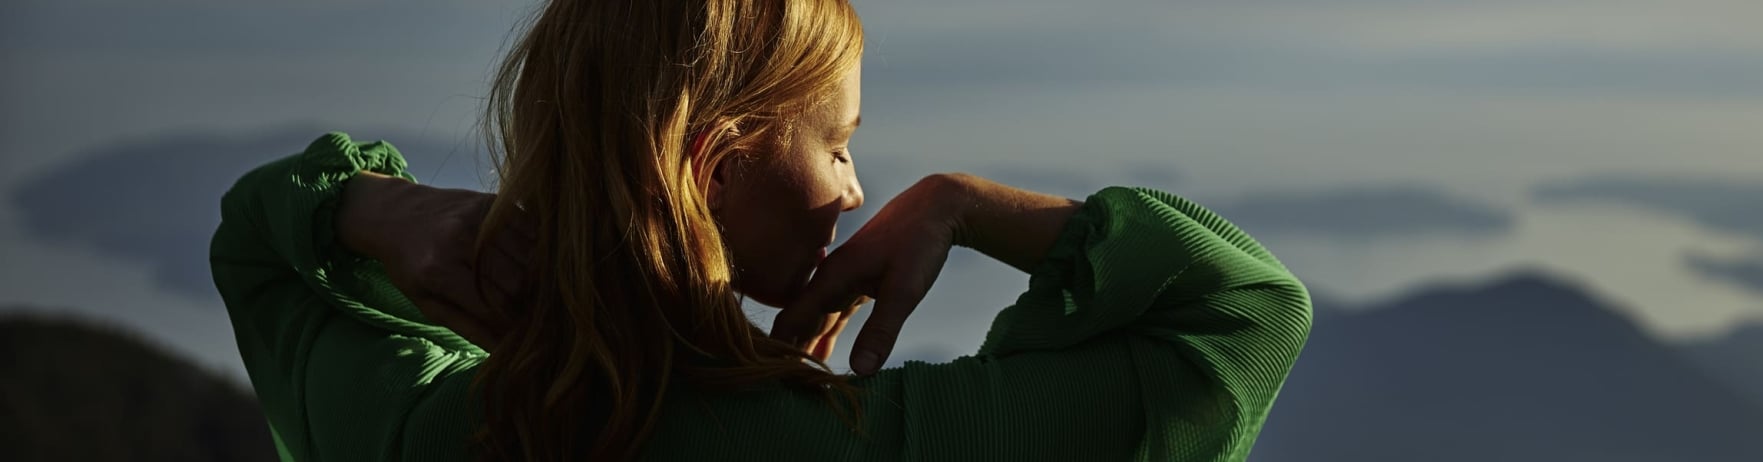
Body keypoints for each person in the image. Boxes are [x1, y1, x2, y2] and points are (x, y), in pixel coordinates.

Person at [209, 0, 1313, 460]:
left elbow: (257, 254)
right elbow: (1243, 315)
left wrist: (367, 207)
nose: (852, 189)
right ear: (722, 167)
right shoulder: (868, 444)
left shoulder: (413, 423)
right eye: (838, 143)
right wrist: (961, 207)